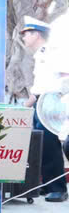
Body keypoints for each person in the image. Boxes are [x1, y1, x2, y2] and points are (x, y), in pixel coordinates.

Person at [22, 17, 66, 202]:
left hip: (53, 103)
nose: (23, 38)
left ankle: (58, 188)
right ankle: (45, 185)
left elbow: (65, 77)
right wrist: (25, 106)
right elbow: (38, 88)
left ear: (37, 35)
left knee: (49, 145)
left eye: (26, 34)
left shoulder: (54, 52)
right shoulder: (40, 54)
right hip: (41, 103)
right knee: (38, 145)